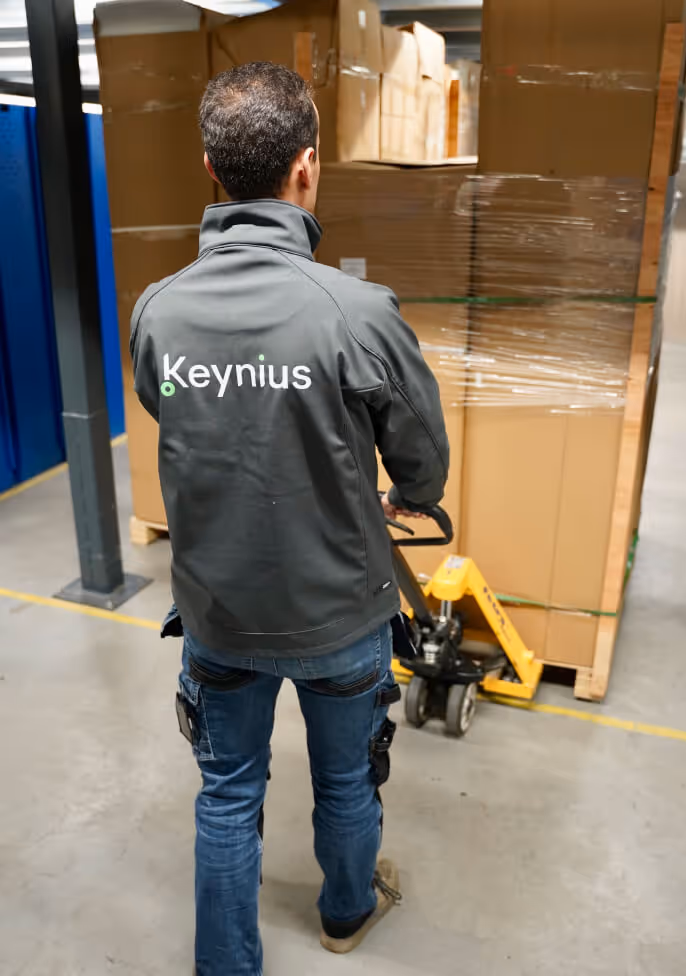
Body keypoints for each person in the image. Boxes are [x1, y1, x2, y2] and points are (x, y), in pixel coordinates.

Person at [130, 61, 449, 976]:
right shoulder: (357, 312)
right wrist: (409, 495)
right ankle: (346, 911)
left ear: (209, 169)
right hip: (339, 613)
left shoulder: (158, 310)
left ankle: (225, 964)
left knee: (228, 793)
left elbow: (177, 412)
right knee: (347, 776)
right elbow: (421, 457)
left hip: (219, 612)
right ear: (306, 168)